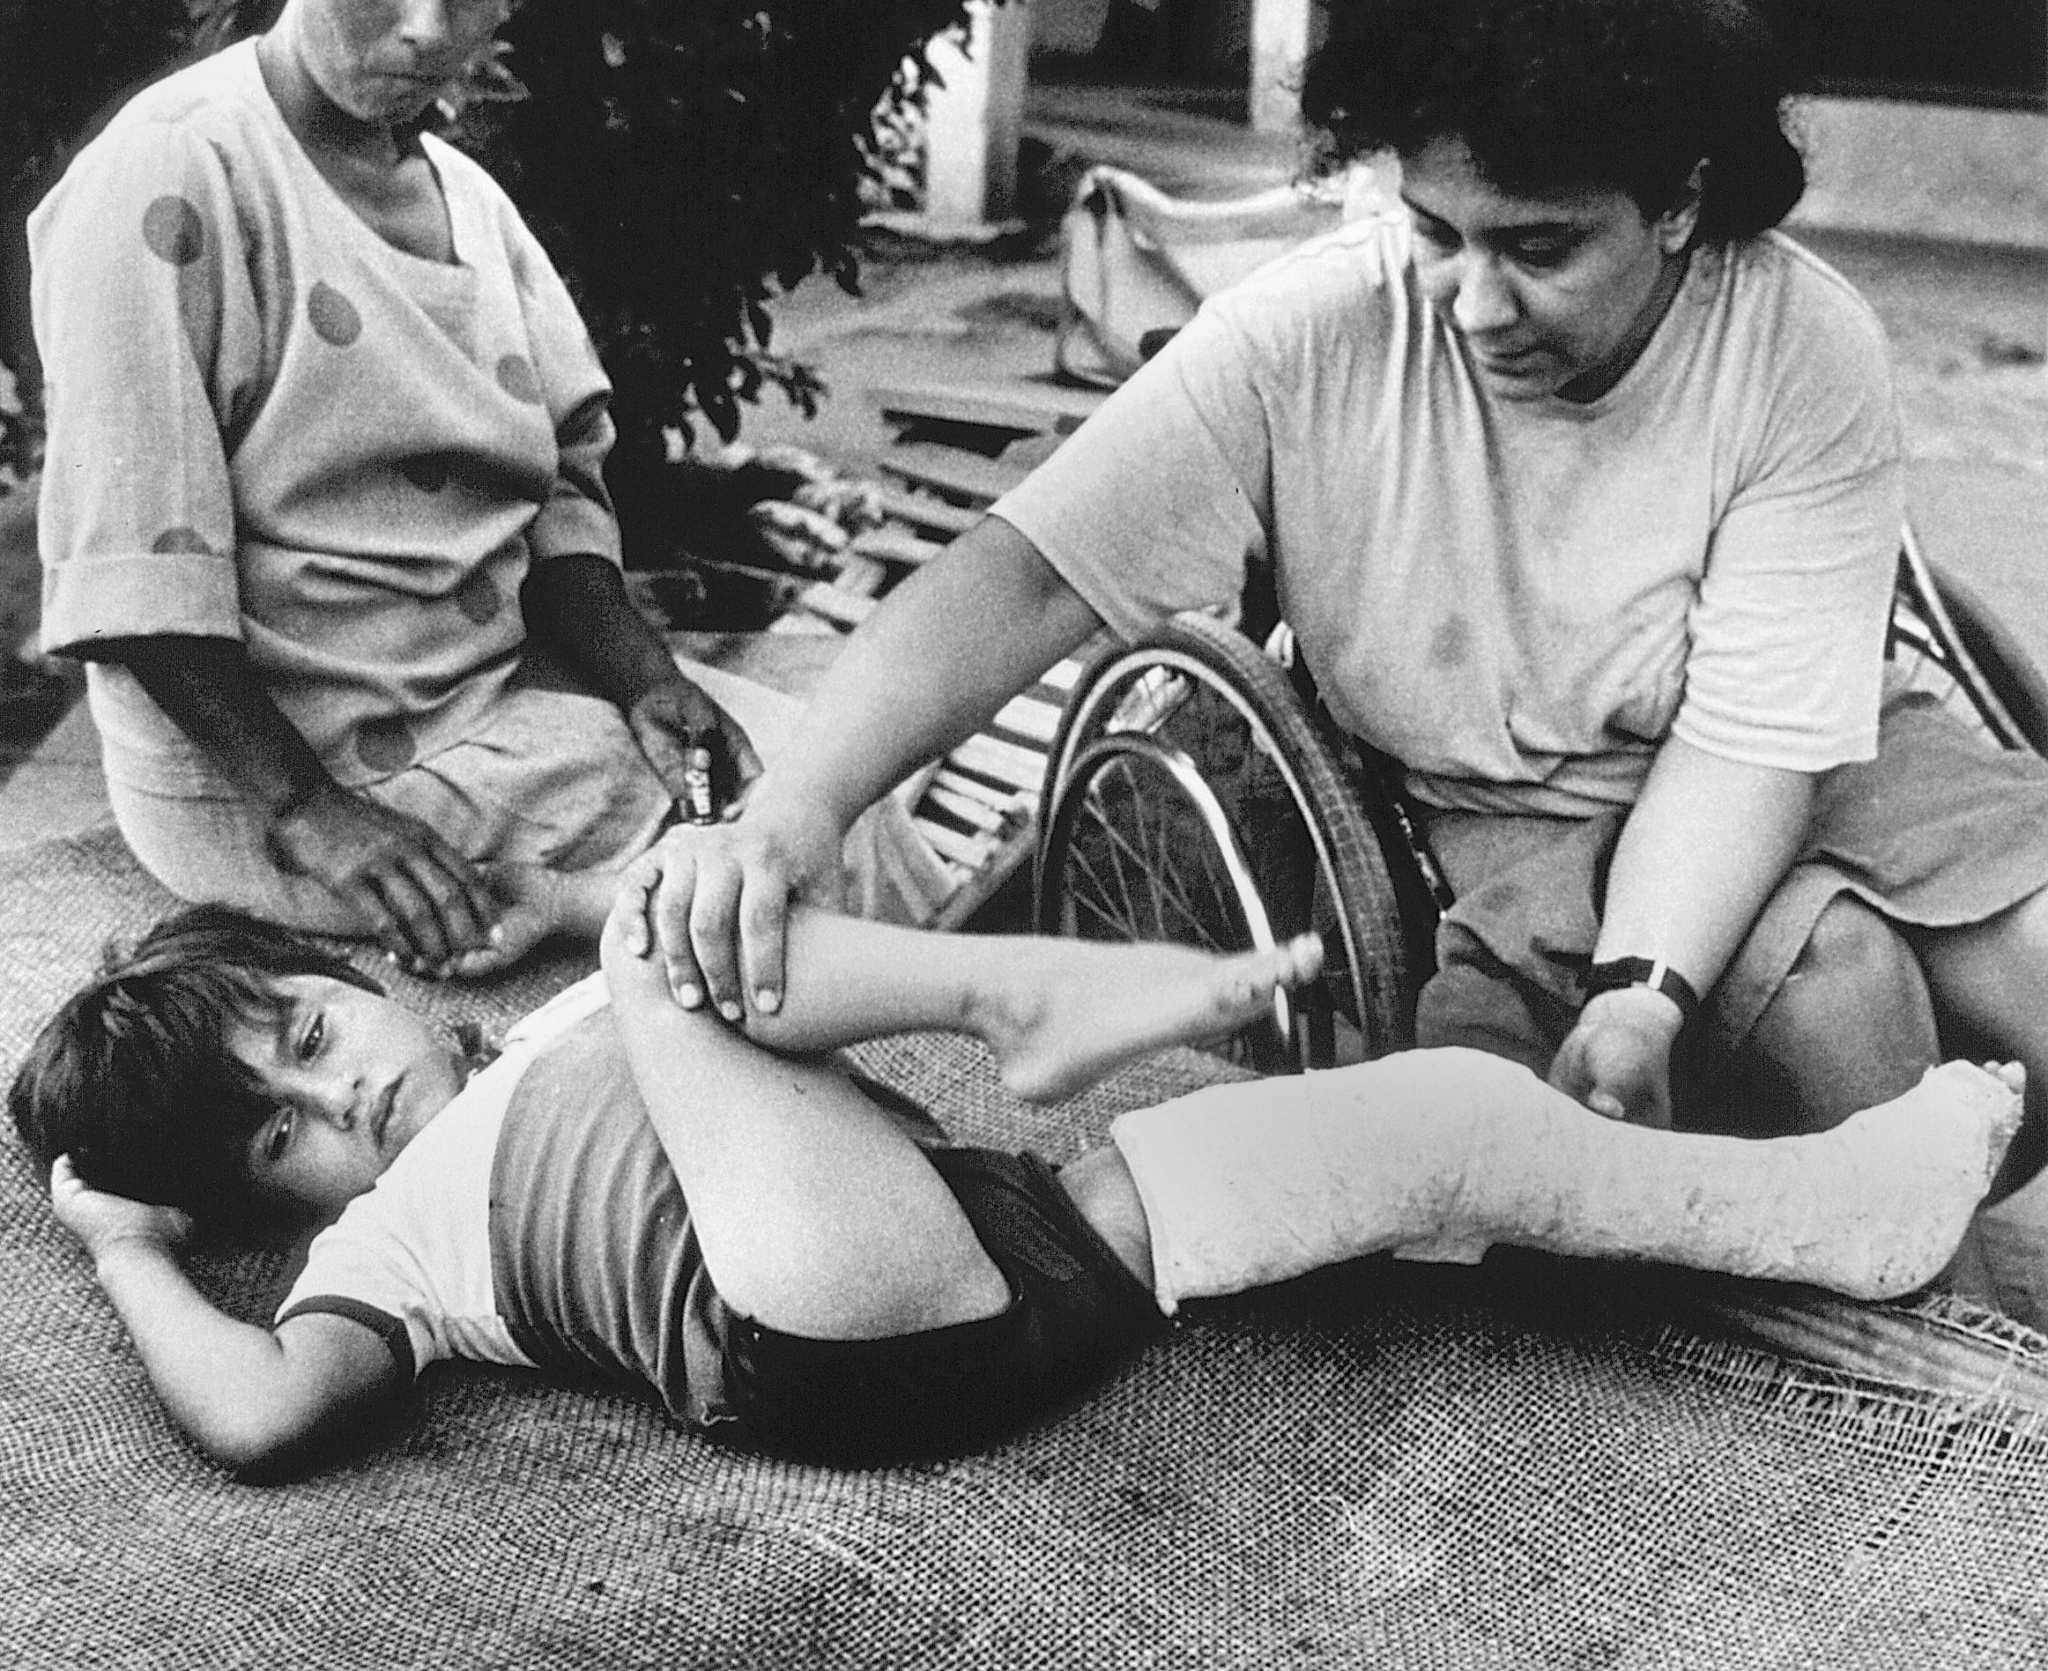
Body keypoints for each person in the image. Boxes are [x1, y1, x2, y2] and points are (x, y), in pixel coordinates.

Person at [637, 0, 2048, 1182]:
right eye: (1439, 230)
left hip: (1805, 752)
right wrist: (798, 807)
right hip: (1525, 810)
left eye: (1540, 248)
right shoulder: (1314, 333)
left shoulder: (1799, 342)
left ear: (1681, 202)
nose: (1473, 302)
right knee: (1844, 1003)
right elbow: (1021, 578)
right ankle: (1921, 1388)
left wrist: (1644, 986)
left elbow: (1754, 746)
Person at [9, 873, 2021, 1475]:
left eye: (302, 1037)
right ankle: (1024, 999)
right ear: (265, 1200)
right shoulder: (388, 1239)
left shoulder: (541, 1026)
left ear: (356, 974)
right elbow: (266, 1414)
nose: (327, 1110)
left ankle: (1823, 1212)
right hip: (807, 1329)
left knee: (1435, 1121)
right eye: (264, 1144)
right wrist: (125, 1250)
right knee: (668, 937)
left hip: (1017, 1255)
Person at [27, 0, 760, 978]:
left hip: (476, 696)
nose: (429, 29)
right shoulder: (173, 176)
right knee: (767, 852)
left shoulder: (466, 203)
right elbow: (130, 565)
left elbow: (554, 490)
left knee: (802, 760)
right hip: (272, 773)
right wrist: (316, 815)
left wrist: (643, 676)